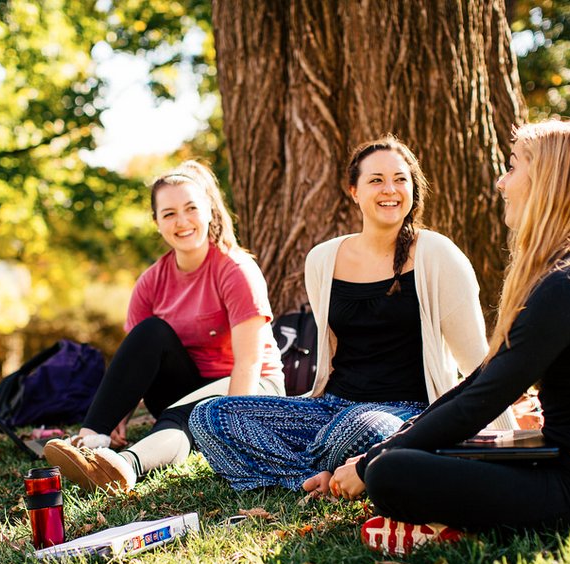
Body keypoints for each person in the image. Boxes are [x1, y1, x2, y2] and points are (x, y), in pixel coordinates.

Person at [331, 119, 570, 554]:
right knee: (393, 462)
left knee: (393, 475)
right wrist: (374, 454)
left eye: (512, 167)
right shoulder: (568, 268)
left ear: (545, 179)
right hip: (564, 461)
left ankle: (454, 527)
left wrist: (373, 463)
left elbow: (486, 396)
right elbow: (483, 379)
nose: (502, 182)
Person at [189, 136, 515, 492]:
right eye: (376, 180)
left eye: (400, 178)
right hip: (331, 407)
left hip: (405, 412)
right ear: (354, 191)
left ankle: (291, 467)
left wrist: (510, 437)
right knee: (209, 415)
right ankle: (311, 478)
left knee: (363, 431)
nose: (389, 189)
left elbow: (475, 363)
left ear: (413, 188)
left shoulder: (436, 255)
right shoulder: (323, 259)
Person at [44, 160, 285, 493]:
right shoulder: (151, 281)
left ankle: (125, 466)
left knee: (185, 417)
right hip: (186, 386)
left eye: (191, 209)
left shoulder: (235, 269)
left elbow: (249, 362)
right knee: (150, 331)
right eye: (169, 213)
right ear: (156, 222)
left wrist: (228, 427)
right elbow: (137, 359)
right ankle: (89, 442)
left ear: (209, 213)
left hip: (249, 388)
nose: (182, 221)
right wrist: (120, 416)